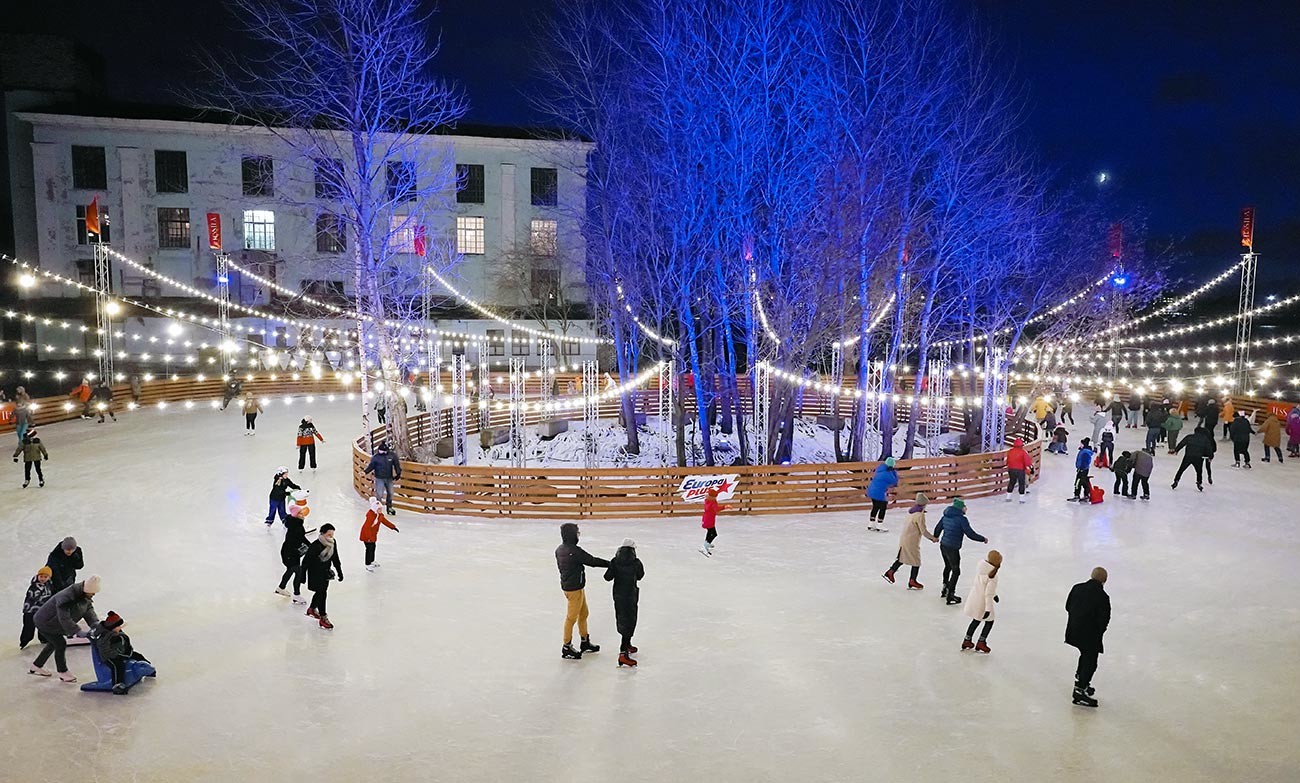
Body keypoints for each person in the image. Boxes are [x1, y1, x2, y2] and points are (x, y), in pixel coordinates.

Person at [555, 522, 611, 659]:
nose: (578, 535)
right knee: (571, 618)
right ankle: (566, 646)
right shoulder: (574, 551)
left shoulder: (560, 549)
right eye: (577, 532)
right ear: (572, 535)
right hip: (574, 589)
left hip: (573, 587)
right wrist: (610, 564)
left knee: (584, 613)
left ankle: (585, 641)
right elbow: (592, 561)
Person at [29, 575, 101, 682]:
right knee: (60, 644)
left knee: (53, 644)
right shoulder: (67, 597)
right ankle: (63, 672)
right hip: (45, 622)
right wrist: (77, 631)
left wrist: (97, 626)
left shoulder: (85, 597)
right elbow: (64, 618)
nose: (94, 595)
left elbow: (89, 612)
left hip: (54, 624)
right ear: (86, 590)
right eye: (92, 592)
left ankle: (36, 665)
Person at [1066, 567, 1111, 708]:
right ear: (1104, 581)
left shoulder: (1077, 588)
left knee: (1085, 655)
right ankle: (1079, 689)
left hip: (1073, 631)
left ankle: (1081, 680)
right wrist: (1099, 632)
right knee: (1091, 661)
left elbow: (1068, 606)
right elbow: (1104, 620)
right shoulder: (1103, 597)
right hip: (1090, 635)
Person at [932, 498, 988, 605]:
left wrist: (936, 536)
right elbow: (970, 534)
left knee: (948, 567)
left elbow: (938, 528)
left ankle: (945, 588)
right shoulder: (962, 519)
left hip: (943, 546)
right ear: (960, 508)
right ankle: (950, 594)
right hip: (953, 548)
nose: (966, 508)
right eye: (964, 506)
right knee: (956, 571)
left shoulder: (945, 516)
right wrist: (982, 539)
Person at [603, 538, 645, 668]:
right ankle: (623, 653)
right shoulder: (636, 562)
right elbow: (640, 576)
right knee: (630, 620)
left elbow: (607, 577)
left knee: (622, 619)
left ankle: (627, 645)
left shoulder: (615, 561)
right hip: (631, 595)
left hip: (618, 595)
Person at [883, 492, 938, 589]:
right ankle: (912, 581)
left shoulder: (911, 512)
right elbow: (923, 531)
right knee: (916, 561)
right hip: (911, 541)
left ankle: (890, 572)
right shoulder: (919, 515)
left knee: (903, 557)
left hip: (905, 538)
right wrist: (933, 538)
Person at [91, 611, 152, 695]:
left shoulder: (118, 632)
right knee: (118, 665)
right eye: (118, 626)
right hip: (110, 657)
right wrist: (118, 655)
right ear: (113, 627)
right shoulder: (105, 637)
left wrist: (128, 652)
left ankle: (149, 669)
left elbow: (126, 643)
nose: (120, 627)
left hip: (122, 652)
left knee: (138, 656)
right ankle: (117, 685)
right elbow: (105, 650)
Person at [301, 523, 342, 630]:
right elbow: (305, 562)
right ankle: (323, 618)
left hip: (325, 573)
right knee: (322, 593)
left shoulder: (332, 543)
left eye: (332, 534)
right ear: (322, 534)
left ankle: (312, 609)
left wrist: (339, 571)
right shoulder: (315, 546)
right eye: (329, 534)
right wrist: (302, 576)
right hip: (315, 573)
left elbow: (335, 557)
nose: (331, 537)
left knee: (321, 592)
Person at [961, 550, 1001, 653]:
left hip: (974, 599)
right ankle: (981, 642)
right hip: (983, 603)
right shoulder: (992, 576)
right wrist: (988, 609)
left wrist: (994, 595)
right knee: (989, 621)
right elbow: (988, 593)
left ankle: (967, 640)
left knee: (976, 620)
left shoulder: (981, 570)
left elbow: (983, 586)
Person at [275, 504, 312, 603]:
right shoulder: (296, 526)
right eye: (300, 513)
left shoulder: (296, 524)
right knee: (298, 572)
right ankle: (296, 595)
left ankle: (281, 587)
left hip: (290, 553)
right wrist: (310, 546)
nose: (303, 514)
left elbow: (301, 538)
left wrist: (310, 545)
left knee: (291, 570)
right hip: (290, 554)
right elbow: (299, 539)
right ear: (296, 515)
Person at [360, 497, 399, 571]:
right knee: (369, 549)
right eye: (379, 509)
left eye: (381, 508)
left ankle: (372, 561)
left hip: (373, 535)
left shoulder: (380, 515)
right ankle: (368, 564)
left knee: (373, 547)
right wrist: (368, 538)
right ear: (375, 509)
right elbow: (366, 527)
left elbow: (385, 521)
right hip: (366, 535)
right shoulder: (371, 516)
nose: (380, 510)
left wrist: (393, 527)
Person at [363, 442, 402, 515]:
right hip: (379, 478)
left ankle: (389, 507)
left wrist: (398, 474)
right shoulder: (376, 457)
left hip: (389, 478)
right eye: (380, 450)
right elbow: (371, 466)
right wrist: (365, 472)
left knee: (390, 493)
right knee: (379, 494)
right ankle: (377, 509)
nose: (382, 452)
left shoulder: (391, 456)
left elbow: (396, 465)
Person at [1171, 426, 1215, 491]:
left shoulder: (1189, 437)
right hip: (1198, 457)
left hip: (1188, 456)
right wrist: (1210, 456)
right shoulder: (1205, 439)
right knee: (1199, 471)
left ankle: (1176, 481)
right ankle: (1199, 483)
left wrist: (1176, 450)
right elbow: (1209, 449)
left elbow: (1182, 443)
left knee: (1181, 469)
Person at [20, 566, 54, 649]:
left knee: (43, 625)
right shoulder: (34, 586)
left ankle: (43, 639)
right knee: (29, 626)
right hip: (30, 611)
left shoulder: (49, 585)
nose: (42, 578)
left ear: (49, 578)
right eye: (41, 576)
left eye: (45, 577)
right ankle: (24, 641)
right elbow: (35, 598)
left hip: (42, 611)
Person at [866, 457, 899, 531]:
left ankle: (871, 524)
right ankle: (879, 525)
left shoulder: (880, 469)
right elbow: (894, 481)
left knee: (875, 506)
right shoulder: (887, 473)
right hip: (879, 492)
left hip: (872, 490)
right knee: (883, 507)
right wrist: (894, 472)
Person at [700, 486, 728, 556]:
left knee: (710, 532)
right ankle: (705, 546)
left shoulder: (707, 500)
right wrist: (725, 507)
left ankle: (707, 544)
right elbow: (716, 509)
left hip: (707, 519)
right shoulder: (712, 502)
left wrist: (711, 489)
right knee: (713, 534)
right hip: (709, 520)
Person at [1004, 437, 1032, 503]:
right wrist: (1029, 466)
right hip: (1020, 470)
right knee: (1021, 483)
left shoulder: (1010, 451)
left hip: (1011, 469)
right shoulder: (1023, 452)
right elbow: (1027, 461)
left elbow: (1007, 460)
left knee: (1011, 482)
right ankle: (1021, 498)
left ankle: (1008, 497)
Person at [1070, 438, 1095, 502]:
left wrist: (1081, 468)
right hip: (1083, 469)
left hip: (1082, 470)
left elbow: (1085, 462)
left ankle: (1077, 495)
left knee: (1078, 483)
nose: (1080, 445)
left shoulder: (1085, 452)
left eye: (1081, 443)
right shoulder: (1084, 451)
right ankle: (1086, 495)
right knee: (1084, 482)